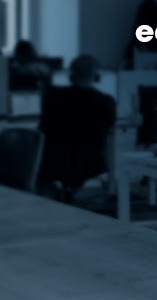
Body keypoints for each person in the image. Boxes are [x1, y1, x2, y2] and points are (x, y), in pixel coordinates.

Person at [37, 54, 117, 201]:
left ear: (71, 75)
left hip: (53, 161)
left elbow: (43, 128)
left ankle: (63, 191)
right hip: (89, 163)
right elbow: (111, 128)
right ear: (96, 76)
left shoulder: (52, 97)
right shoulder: (105, 102)